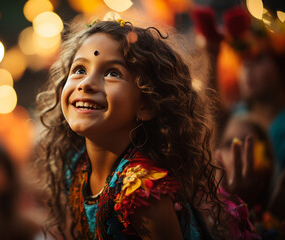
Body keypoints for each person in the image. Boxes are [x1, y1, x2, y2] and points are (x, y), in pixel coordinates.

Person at [35, 19, 259, 239]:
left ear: (147, 104)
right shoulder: (76, 167)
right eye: (80, 69)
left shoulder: (142, 192)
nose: (85, 83)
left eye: (112, 73)